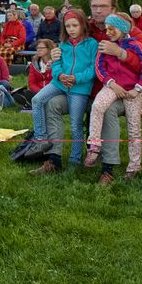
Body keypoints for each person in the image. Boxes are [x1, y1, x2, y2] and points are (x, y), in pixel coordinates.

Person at [84, 14, 142, 183]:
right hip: (112, 86)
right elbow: (99, 68)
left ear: (122, 28)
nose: (108, 32)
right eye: (106, 28)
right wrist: (111, 83)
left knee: (134, 127)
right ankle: (94, 145)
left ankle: (134, 165)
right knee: (98, 106)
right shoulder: (105, 45)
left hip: (132, 90)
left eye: (111, 28)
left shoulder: (136, 45)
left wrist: (138, 88)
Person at [27, 10, 98, 172]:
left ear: (82, 25)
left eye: (75, 25)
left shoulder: (91, 44)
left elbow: (93, 68)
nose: (71, 29)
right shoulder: (63, 45)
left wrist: (76, 78)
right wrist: (60, 76)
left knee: (75, 125)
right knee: (37, 100)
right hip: (59, 83)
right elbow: (56, 64)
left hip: (79, 88)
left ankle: (75, 159)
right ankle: (41, 138)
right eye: (67, 26)